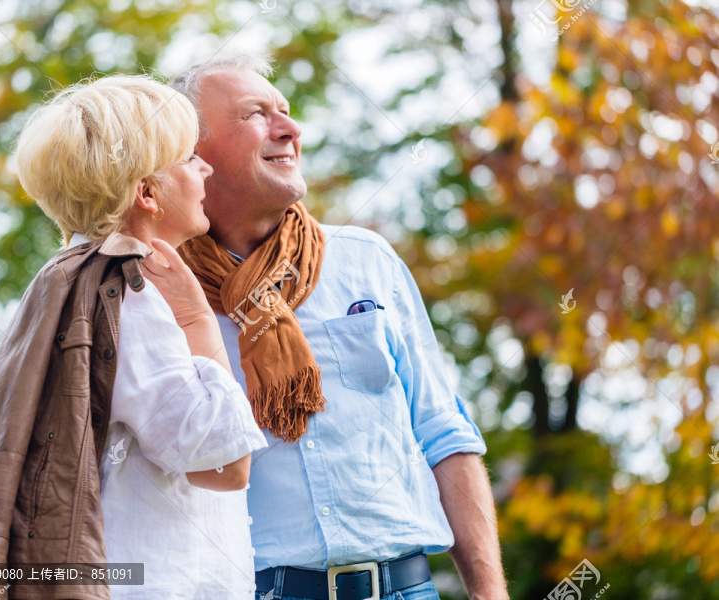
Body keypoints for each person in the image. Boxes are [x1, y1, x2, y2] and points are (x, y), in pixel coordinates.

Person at [170, 53, 510, 600]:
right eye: (257, 114)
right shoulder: (161, 293)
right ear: (192, 153)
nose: (291, 128)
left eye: (285, 110)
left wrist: (489, 593)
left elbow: (444, 432)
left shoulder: (366, 260)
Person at [14, 74, 268, 598]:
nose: (206, 167)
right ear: (147, 192)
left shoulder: (62, 283)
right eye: (188, 158)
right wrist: (197, 319)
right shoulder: (130, 295)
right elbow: (224, 462)